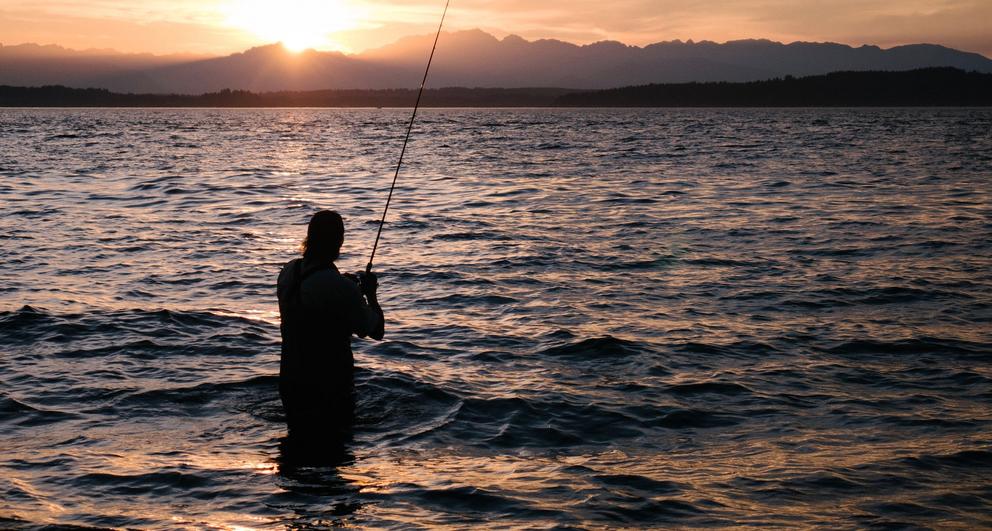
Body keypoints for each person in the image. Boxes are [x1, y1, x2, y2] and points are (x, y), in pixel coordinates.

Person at [277, 210, 384, 437]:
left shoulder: (288, 271)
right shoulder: (339, 287)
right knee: (331, 452)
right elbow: (375, 331)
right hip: (328, 387)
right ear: (340, 241)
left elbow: (317, 298)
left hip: (291, 382)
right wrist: (370, 295)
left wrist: (343, 284)